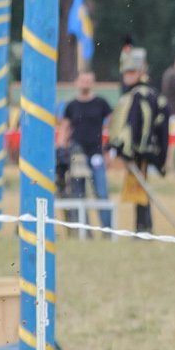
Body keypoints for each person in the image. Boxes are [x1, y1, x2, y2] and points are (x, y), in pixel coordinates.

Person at [110, 46, 169, 233]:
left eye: (131, 72)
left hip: (140, 150)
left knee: (140, 190)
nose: (127, 76)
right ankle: (142, 227)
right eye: (126, 72)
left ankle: (144, 228)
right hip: (140, 150)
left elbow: (136, 125)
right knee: (138, 189)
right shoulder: (140, 94)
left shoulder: (141, 95)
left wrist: (127, 148)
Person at [61, 72, 114, 233]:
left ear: (93, 83)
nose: (85, 83)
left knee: (102, 193)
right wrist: (61, 148)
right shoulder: (71, 106)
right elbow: (64, 128)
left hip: (96, 153)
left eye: (88, 81)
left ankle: (107, 230)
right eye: (83, 80)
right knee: (78, 193)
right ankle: (83, 231)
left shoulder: (101, 103)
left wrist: (109, 150)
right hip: (77, 155)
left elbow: (112, 125)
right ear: (77, 83)